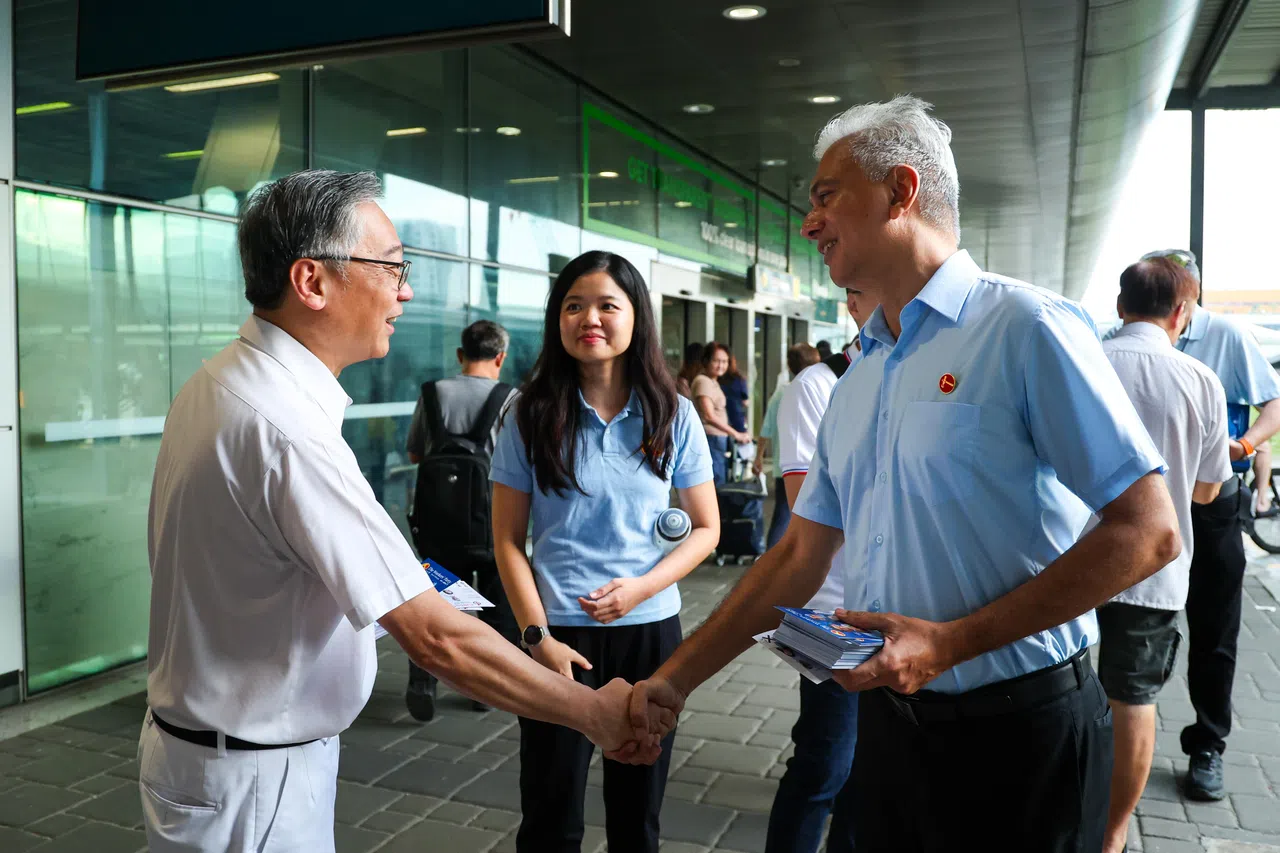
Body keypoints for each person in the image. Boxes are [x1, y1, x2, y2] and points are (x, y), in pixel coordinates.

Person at [618, 96, 1180, 852]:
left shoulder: (1025, 328)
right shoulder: (861, 373)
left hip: (1021, 739)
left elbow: (1148, 532)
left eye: (825, 197)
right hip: (889, 732)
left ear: (900, 191)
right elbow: (798, 555)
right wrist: (675, 679)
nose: (810, 223)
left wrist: (950, 642)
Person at [141, 171, 643, 853]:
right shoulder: (289, 430)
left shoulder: (217, 381)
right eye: (391, 267)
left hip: (205, 759)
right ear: (312, 281)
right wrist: (594, 713)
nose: (405, 291)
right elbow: (436, 638)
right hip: (253, 782)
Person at [490, 250, 719, 853]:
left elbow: (706, 528)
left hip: (649, 633)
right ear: (556, 319)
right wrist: (537, 637)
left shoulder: (674, 413)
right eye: (573, 305)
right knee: (549, 814)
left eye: (607, 305)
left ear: (636, 318)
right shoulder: (528, 413)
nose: (589, 318)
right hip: (559, 639)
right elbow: (508, 541)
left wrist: (641, 588)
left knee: (637, 815)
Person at [1097, 257, 1231, 853]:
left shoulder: (1084, 361)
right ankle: (1113, 834)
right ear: (1182, 312)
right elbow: (1206, 492)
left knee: (1050, 688)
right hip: (1149, 573)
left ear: (1121, 305)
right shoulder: (1200, 380)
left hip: (1056, 566)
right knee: (1131, 698)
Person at [1138, 248, 1280, 800]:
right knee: (1131, 615)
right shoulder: (1132, 338)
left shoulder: (1227, 337)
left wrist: (1244, 446)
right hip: (1146, 503)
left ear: (1189, 300)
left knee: (1215, 628)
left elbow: (1272, 401)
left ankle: (1208, 745)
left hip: (1212, 501)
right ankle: (1115, 727)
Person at [764, 287, 875, 853]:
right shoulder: (817, 386)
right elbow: (808, 506)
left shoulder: (915, 375)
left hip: (903, 609)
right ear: (855, 306)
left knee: (873, 777)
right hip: (830, 613)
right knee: (825, 763)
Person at [403, 319, 520, 721]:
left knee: (434, 604)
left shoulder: (432, 392)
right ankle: (484, 689)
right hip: (492, 525)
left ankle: (423, 681)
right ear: (500, 357)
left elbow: (416, 453)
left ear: (460, 355)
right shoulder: (511, 398)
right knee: (496, 609)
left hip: (437, 525)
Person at [757, 343, 820, 550]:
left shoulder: (781, 393)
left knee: (785, 512)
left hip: (781, 465)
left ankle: (775, 556)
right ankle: (773, 559)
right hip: (808, 466)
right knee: (790, 514)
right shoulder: (817, 389)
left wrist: (758, 457)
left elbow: (766, 429)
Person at [693, 342, 751, 485]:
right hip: (711, 439)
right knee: (716, 484)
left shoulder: (714, 381)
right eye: (716, 361)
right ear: (706, 361)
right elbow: (708, 416)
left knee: (722, 482)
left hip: (718, 440)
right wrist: (735, 434)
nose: (721, 365)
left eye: (724, 361)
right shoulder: (703, 381)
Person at [719, 348, 751, 434]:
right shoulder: (739, 379)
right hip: (737, 420)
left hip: (721, 423)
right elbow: (746, 402)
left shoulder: (716, 380)